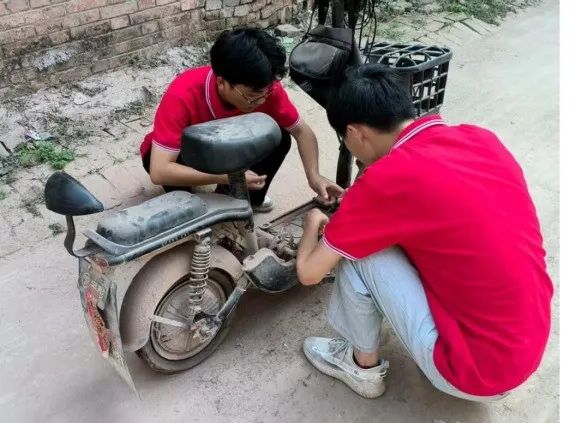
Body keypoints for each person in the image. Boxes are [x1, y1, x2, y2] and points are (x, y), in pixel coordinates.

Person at [296, 64, 553, 400]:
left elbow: (309, 273)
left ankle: (361, 368)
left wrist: (313, 221)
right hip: (526, 347)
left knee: (358, 252)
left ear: (355, 133)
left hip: (474, 374)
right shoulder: (480, 138)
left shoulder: (386, 179)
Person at [140, 28, 342, 212]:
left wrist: (314, 176)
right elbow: (159, 170)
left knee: (279, 137)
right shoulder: (183, 93)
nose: (261, 100)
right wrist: (228, 178)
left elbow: (302, 131)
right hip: (190, 154)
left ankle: (241, 199)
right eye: (251, 96)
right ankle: (214, 197)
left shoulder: (265, 89)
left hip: (230, 147)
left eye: (265, 93)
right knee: (185, 207)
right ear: (222, 82)